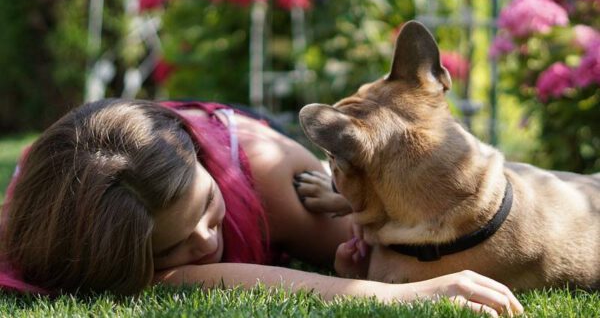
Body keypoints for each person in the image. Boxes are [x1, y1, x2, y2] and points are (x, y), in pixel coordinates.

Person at [0, 99, 522, 316]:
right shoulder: (55, 221)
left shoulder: (271, 175)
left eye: (207, 206)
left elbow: (419, 245)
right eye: (173, 245)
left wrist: (387, 278)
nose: (206, 240)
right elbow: (173, 283)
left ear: (205, 164)